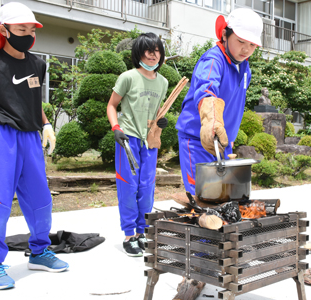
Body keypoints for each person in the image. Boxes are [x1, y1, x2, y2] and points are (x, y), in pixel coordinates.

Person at [0, 2, 68, 290]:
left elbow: (33, 100)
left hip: (31, 137)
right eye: (21, 29)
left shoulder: (37, 64)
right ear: (4, 30)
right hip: (0, 137)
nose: (28, 35)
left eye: (32, 30)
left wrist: (46, 123)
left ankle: (40, 251)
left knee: (40, 199)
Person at [175, 8, 263, 195]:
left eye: (252, 44)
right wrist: (211, 122)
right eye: (240, 41)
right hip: (198, 138)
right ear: (225, 34)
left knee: (226, 199)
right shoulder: (214, 60)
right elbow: (207, 91)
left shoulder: (244, 67)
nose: (246, 49)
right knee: (204, 199)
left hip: (223, 142)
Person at [106, 33, 168, 257]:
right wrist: (116, 128)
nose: (153, 55)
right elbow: (112, 105)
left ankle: (143, 232)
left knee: (147, 187)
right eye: (148, 51)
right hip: (128, 138)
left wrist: (161, 121)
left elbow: (157, 111)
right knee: (128, 186)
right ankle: (129, 234)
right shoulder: (127, 77)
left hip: (149, 140)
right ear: (139, 53)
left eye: (157, 51)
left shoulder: (163, 82)